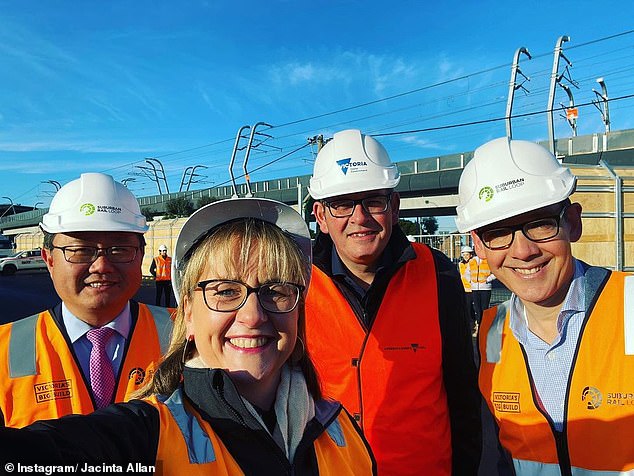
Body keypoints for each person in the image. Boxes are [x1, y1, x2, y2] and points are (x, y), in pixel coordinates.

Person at [0, 197, 376, 475]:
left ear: (298, 309)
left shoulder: (340, 428)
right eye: (225, 291)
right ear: (189, 316)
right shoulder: (148, 435)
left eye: (276, 291)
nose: (253, 314)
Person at [305, 129, 481, 475]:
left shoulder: (438, 274)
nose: (359, 218)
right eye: (341, 203)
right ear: (321, 216)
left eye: (373, 200)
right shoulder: (295, 283)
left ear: (394, 207)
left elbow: (463, 395)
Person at [455, 136, 634, 474]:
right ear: (478, 244)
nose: (523, 251)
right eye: (498, 232)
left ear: (572, 222)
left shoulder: (631, 306)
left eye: (539, 223)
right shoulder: (490, 338)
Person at [0, 173, 172, 428]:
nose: (102, 265)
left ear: (140, 255)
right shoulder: (5, 350)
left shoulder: (188, 334)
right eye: (80, 250)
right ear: (49, 259)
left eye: (120, 249)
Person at [464, 253, 496, 335]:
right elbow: (467, 273)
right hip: (475, 288)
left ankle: (485, 327)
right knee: (477, 309)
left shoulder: (488, 260)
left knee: (484, 308)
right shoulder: (472, 261)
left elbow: (495, 272)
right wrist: (470, 281)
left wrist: (488, 279)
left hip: (485, 288)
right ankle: (479, 326)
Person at [458, 245, 477, 331]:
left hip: (473, 287)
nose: (465, 257)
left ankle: (475, 321)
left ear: (471, 255)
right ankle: (471, 321)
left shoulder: (473, 263)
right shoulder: (460, 264)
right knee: (467, 306)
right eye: (464, 255)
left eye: (467, 255)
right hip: (464, 288)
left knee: (474, 306)